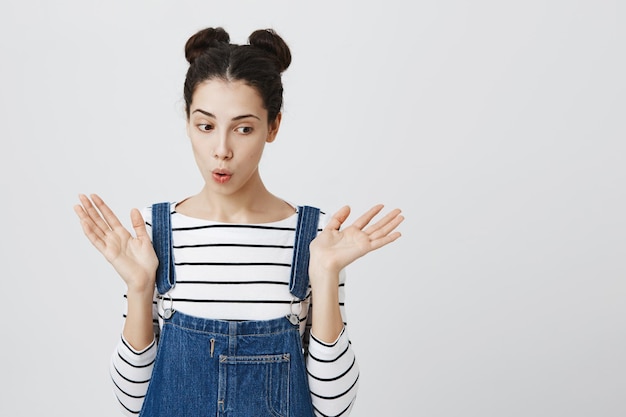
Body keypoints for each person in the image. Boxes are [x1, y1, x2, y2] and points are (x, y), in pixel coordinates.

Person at [74, 26, 403, 417]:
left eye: (244, 128)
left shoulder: (316, 238)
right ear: (188, 122)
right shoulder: (152, 232)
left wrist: (326, 274)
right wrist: (140, 285)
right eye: (206, 126)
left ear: (273, 126)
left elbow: (334, 407)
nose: (222, 150)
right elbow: (133, 402)